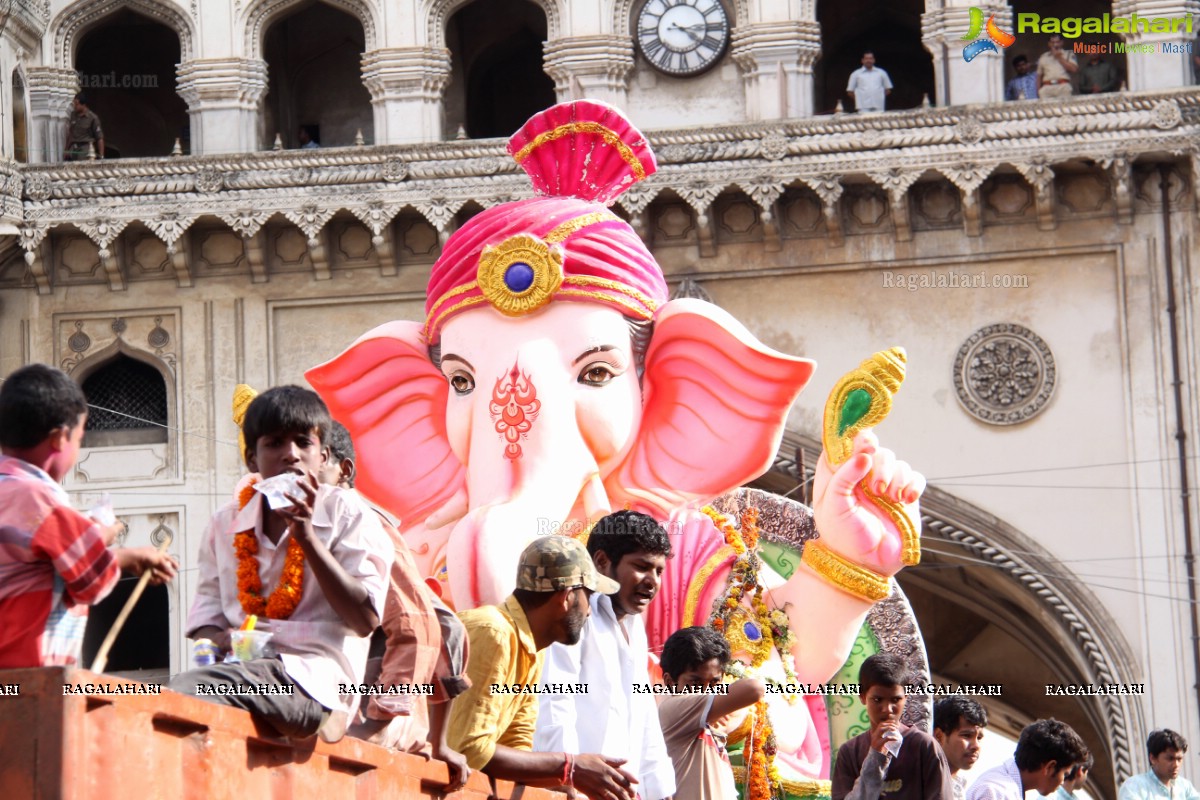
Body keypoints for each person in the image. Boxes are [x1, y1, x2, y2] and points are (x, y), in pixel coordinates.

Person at [168, 386, 393, 742]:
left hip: (316, 680)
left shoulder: (349, 514)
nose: (291, 455)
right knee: (158, 695)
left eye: (303, 443)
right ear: (252, 461)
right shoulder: (224, 523)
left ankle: (328, 715)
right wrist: (224, 639)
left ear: (323, 455)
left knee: (184, 690)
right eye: (274, 444)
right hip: (243, 675)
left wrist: (306, 537)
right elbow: (204, 624)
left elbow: (364, 620)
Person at [320, 421, 470, 792]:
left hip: (361, 709)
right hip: (303, 691)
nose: (293, 472)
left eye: (313, 458)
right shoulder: (279, 526)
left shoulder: (362, 524)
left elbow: (428, 626)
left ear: (344, 470)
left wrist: (380, 715)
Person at [0, 364, 177, 668]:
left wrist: (95, 536)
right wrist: (131, 556)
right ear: (59, 439)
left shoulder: (10, 488)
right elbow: (90, 576)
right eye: (80, 439)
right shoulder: (39, 498)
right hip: (29, 673)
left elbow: (50, 553)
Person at [446, 535, 641, 799]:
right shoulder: (494, 632)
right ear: (567, 597)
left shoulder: (532, 647)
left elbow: (516, 743)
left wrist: (562, 786)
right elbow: (468, 749)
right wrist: (570, 767)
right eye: (588, 597)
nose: (589, 613)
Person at [534, 511, 677, 800]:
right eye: (641, 566)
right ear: (601, 562)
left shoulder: (635, 627)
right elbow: (555, 698)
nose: (652, 581)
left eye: (659, 571)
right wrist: (566, 778)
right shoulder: (573, 612)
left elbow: (645, 715)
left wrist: (660, 792)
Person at [657, 626, 765, 800]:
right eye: (696, 682)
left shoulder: (707, 723)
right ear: (670, 682)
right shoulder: (674, 709)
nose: (706, 691)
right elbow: (754, 688)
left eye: (714, 682)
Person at [831, 653, 955, 800]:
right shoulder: (850, 752)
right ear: (863, 696)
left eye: (895, 700)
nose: (887, 709)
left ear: (906, 696)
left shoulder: (924, 746)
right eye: (877, 699)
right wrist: (875, 757)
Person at [967, 719, 1088, 800]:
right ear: (1050, 767)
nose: (1062, 782)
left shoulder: (1008, 788)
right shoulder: (996, 792)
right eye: (1065, 774)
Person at [1119, 729, 1200, 800]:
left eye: (1179, 759)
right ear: (1153, 758)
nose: (1176, 764)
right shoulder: (1134, 786)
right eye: (1170, 759)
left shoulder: (1185, 786)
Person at [933, 697, 988, 800]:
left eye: (979, 738)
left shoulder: (960, 784)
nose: (976, 746)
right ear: (939, 736)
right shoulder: (922, 781)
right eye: (966, 735)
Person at [64, 93, 104, 161]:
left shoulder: (92, 118)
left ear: (83, 104)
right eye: (74, 104)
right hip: (74, 148)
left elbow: (99, 138)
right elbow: (71, 133)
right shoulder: (73, 115)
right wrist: (66, 150)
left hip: (85, 148)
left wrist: (101, 155)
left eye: (77, 104)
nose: (75, 106)